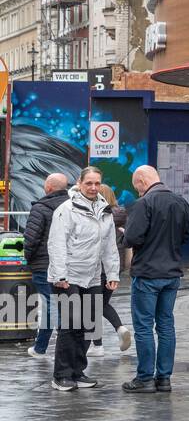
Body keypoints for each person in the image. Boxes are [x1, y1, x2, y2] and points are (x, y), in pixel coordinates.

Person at [46, 167, 119, 391]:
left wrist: (113, 272)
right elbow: (56, 243)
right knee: (70, 325)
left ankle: (78, 371)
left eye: (97, 183)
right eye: (89, 183)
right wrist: (60, 275)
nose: (93, 187)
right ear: (79, 183)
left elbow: (109, 245)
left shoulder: (105, 210)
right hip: (68, 277)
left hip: (93, 276)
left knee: (88, 326)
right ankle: (62, 375)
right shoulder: (65, 209)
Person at [122, 165, 189, 394]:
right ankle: (164, 378)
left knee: (143, 327)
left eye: (137, 188)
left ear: (142, 181)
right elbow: (185, 235)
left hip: (147, 274)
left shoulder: (144, 203)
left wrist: (126, 234)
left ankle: (144, 378)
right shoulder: (180, 202)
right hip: (172, 273)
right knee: (166, 325)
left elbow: (132, 238)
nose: (138, 192)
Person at [22, 172, 69, 359]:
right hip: (67, 265)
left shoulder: (40, 208)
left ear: (48, 187)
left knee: (51, 306)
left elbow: (31, 239)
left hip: (44, 264)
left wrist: (28, 258)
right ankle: (64, 347)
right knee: (64, 305)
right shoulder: (72, 206)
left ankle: (41, 348)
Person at [89, 186, 133, 355]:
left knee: (93, 305)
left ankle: (98, 345)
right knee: (101, 303)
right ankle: (119, 329)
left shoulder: (99, 215)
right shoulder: (122, 215)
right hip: (115, 268)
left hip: (97, 267)